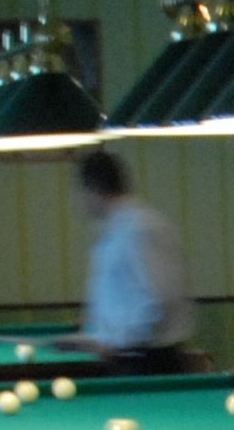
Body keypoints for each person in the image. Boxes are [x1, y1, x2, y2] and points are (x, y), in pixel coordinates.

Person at [73, 149, 195, 367]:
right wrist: (97, 332)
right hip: (129, 359)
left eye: (80, 191)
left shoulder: (139, 228)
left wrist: (117, 340)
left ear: (93, 188)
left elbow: (159, 300)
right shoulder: (117, 229)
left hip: (148, 363)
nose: (79, 200)